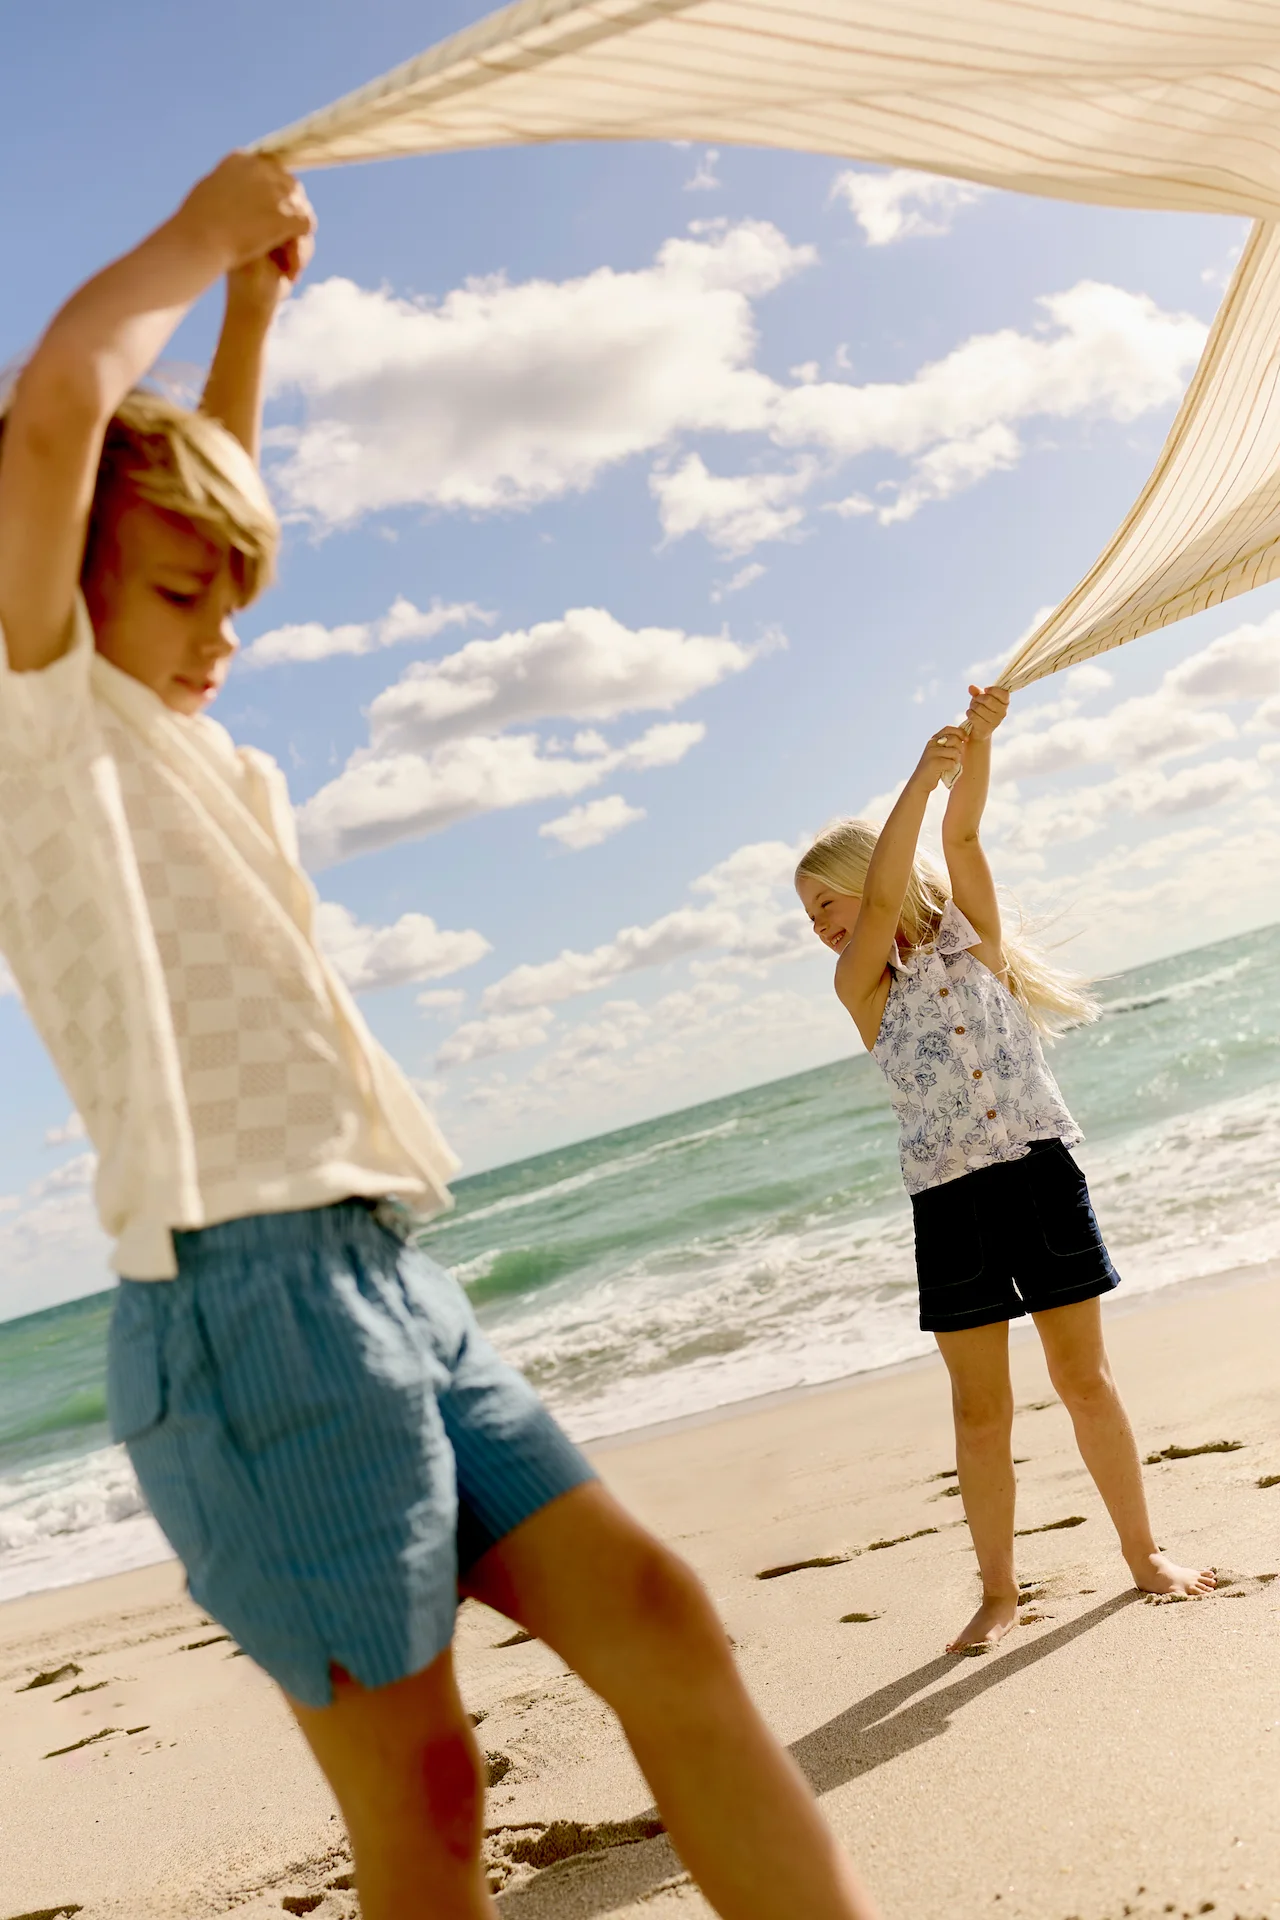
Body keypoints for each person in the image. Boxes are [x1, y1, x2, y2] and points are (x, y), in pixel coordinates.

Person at [0, 154, 878, 1920]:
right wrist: (191, 236)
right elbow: (53, 432)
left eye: (234, 598)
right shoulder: (45, 735)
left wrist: (255, 308)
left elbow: (180, 504)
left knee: (665, 1629)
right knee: (427, 1809)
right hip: (245, 1318)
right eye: (184, 600)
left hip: (389, 1283)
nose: (223, 638)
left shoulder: (179, 724)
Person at [795, 687, 1215, 1655]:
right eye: (809, 914)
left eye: (825, 901)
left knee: (1084, 1380)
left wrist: (974, 745)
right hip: (950, 1207)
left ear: (865, 880)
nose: (818, 924)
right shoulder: (859, 982)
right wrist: (918, 773)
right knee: (979, 1412)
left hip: (1037, 1173)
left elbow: (964, 833)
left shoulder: (970, 935)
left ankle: (1142, 1554)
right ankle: (996, 1594)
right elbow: (900, 869)